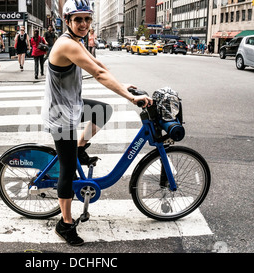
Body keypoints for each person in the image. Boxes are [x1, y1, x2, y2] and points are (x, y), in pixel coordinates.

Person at [41, 0, 152, 246]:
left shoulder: (77, 41)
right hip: (60, 114)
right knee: (68, 172)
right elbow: (99, 74)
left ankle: (80, 148)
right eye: (78, 19)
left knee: (102, 111)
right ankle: (65, 224)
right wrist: (132, 98)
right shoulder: (67, 44)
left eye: (87, 19)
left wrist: (123, 86)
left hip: (72, 106)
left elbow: (100, 66)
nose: (83, 24)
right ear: (67, 21)